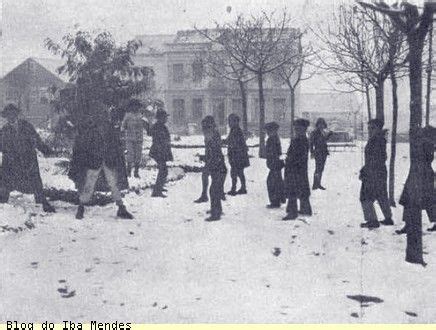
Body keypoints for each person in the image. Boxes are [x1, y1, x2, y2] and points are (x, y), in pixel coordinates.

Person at [68, 105, 133, 220]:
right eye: (101, 114)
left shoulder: (109, 128)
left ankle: (121, 207)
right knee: (89, 184)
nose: (103, 116)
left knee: (113, 184)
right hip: (95, 160)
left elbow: (116, 145)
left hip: (107, 160)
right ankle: (81, 207)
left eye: (104, 114)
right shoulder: (90, 129)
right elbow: (85, 146)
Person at [0, 104, 55, 213]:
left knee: (35, 182)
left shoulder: (27, 126)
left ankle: (43, 203)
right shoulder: (4, 130)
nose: (11, 117)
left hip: (28, 160)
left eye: (13, 114)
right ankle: (2, 204)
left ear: (16, 115)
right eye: (8, 115)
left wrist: (45, 150)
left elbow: (36, 140)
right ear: (6, 117)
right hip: (11, 162)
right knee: (5, 182)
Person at [396, 126, 436, 235]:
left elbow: (424, 159)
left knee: (424, 200)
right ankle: (408, 225)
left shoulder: (426, 144)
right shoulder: (428, 143)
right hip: (419, 173)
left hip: (422, 174)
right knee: (416, 200)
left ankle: (409, 225)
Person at [359, 119, 393, 229]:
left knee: (365, 197)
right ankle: (388, 218)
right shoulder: (379, 139)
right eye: (368, 128)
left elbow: (377, 159)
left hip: (373, 173)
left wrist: (365, 171)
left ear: (378, 128)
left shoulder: (377, 140)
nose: (369, 130)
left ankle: (372, 220)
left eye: (372, 128)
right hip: (379, 172)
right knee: (381, 195)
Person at [283, 119, 312, 220]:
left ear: (304, 129)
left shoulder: (300, 140)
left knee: (293, 189)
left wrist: (289, 161)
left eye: (298, 128)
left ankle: (292, 212)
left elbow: (297, 156)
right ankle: (305, 209)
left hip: (295, 169)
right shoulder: (302, 139)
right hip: (300, 169)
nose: (296, 130)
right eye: (296, 128)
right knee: (302, 188)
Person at [194, 116, 226, 204]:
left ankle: (216, 204)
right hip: (212, 159)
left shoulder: (213, 134)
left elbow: (215, 149)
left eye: (205, 125)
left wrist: (208, 158)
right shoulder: (210, 133)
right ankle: (207, 196)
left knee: (214, 180)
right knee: (206, 176)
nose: (203, 128)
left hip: (215, 160)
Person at [202, 116, 227, 221]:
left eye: (205, 128)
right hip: (218, 167)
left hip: (218, 167)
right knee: (215, 189)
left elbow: (214, 154)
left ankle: (216, 213)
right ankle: (217, 209)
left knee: (214, 190)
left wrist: (208, 160)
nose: (203, 131)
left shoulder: (213, 138)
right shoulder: (213, 136)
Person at [121, 99, 149, 178]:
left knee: (138, 156)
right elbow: (123, 126)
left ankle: (136, 171)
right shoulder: (128, 115)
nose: (136, 108)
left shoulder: (141, 116)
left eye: (137, 106)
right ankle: (128, 170)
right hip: (130, 138)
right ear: (131, 107)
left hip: (139, 138)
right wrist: (123, 132)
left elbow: (146, 125)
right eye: (134, 106)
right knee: (130, 155)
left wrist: (147, 126)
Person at [224, 113, 250, 196]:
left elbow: (234, 143)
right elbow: (230, 141)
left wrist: (225, 142)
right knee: (239, 172)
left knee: (234, 173)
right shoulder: (234, 130)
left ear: (235, 122)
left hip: (237, 156)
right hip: (237, 156)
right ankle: (242, 188)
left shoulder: (237, 131)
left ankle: (234, 189)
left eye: (230, 121)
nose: (229, 123)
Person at [149, 109, 173, 198]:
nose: (166, 119)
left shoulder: (161, 126)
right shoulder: (158, 127)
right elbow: (158, 140)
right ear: (160, 118)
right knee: (163, 171)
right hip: (158, 151)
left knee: (163, 170)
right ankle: (157, 191)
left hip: (161, 151)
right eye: (165, 117)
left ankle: (159, 187)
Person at [265, 121, 285, 208]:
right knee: (277, 182)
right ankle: (280, 199)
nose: (267, 132)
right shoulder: (276, 138)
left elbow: (271, 153)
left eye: (269, 130)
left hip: (274, 164)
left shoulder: (271, 139)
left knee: (272, 183)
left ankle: (275, 202)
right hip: (276, 164)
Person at [310, 118, 332, 190]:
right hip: (318, 152)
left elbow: (324, 140)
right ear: (317, 125)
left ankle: (318, 183)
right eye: (320, 124)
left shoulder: (323, 132)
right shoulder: (314, 132)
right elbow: (311, 143)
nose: (321, 126)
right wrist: (312, 152)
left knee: (321, 168)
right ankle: (315, 184)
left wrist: (329, 135)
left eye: (322, 124)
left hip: (324, 152)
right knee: (318, 168)